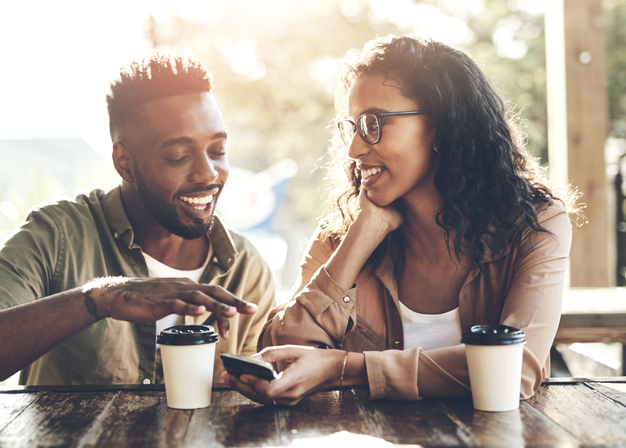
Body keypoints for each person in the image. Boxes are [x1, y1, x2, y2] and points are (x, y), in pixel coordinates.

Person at [0, 52, 276, 404]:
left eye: (217, 151)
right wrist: (100, 300)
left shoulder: (245, 269)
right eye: (178, 156)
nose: (208, 174)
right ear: (124, 163)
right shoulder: (56, 236)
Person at [223, 35, 579, 406]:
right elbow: (280, 354)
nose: (354, 148)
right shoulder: (343, 234)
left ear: (442, 126)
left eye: (373, 123)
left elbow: (513, 369)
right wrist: (363, 234)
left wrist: (344, 368)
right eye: (354, 127)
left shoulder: (534, 225)